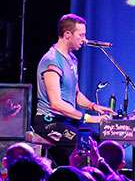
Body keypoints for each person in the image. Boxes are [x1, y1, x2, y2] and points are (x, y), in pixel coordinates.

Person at [33, 14, 115, 162]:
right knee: (84, 148)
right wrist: (90, 118)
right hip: (49, 122)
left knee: (100, 143)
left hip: (66, 121)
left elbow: (75, 94)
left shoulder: (72, 59)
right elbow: (56, 103)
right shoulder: (52, 61)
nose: (84, 40)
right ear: (67, 34)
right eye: (81, 35)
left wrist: (94, 106)